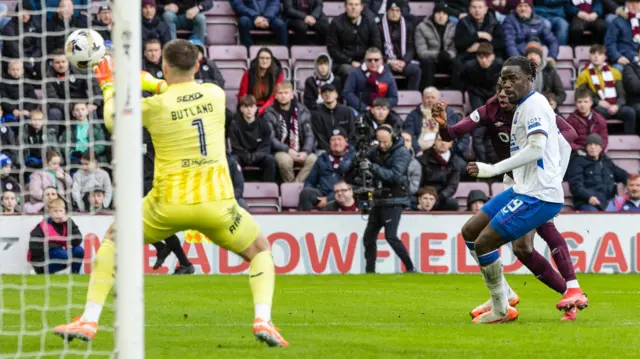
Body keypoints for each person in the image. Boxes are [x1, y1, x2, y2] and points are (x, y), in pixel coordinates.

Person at [53, 40, 289, 347]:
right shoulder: (215, 95)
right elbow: (171, 88)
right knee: (260, 250)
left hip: (166, 205)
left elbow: (113, 120)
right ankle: (263, 319)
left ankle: (88, 319)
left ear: (164, 66)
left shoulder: (153, 106)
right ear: (197, 65)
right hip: (217, 205)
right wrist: (144, 78)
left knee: (113, 239)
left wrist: (110, 83)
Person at [433, 82, 584, 321]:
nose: (502, 94)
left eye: (508, 89)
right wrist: (443, 125)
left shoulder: (534, 109)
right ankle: (511, 295)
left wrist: (548, 166)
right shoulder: (489, 110)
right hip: (515, 182)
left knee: (531, 240)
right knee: (512, 244)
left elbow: (571, 134)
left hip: (537, 185)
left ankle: (569, 292)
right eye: (499, 89)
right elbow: (451, 134)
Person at [359, 126, 416, 273]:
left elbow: (395, 176)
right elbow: (362, 161)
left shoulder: (402, 152)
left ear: (393, 138)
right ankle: (369, 271)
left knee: (391, 236)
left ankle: (410, 267)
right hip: (379, 199)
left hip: (396, 198)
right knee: (368, 237)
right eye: (379, 142)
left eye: (385, 142)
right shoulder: (376, 151)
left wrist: (372, 167)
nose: (382, 145)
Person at [576, 44, 637, 134]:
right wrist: (598, 102)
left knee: (630, 112)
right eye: (593, 54)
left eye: (599, 54)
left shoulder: (615, 72)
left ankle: (628, 141)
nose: (596, 56)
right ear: (590, 56)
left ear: (605, 57)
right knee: (596, 112)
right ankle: (599, 141)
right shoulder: (584, 74)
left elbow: (621, 94)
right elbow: (581, 94)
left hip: (615, 106)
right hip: (599, 107)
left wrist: (617, 105)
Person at [263, 82, 317, 183]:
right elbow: (271, 138)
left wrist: (305, 151)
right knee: (285, 161)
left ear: (292, 95)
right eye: (280, 93)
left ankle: (294, 186)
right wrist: (288, 150)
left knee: (313, 159)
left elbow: (309, 135)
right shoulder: (269, 112)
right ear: (276, 96)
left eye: (286, 93)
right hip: (280, 150)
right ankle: (291, 187)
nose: (283, 96)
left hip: (301, 149)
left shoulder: (303, 110)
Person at [567, 133, 628, 211]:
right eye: (590, 144)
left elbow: (623, 175)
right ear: (586, 147)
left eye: (596, 144)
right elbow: (575, 186)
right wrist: (589, 197)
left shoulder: (606, 162)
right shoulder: (577, 162)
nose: (593, 147)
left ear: (601, 148)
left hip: (608, 202)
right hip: (587, 203)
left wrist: (634, 180)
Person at [299, 128, 355, 210]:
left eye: (339, 139)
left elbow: (357, 186)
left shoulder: (354, 158)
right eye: (333, 140)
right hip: (322, 195)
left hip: (344, 196)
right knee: (306, 192)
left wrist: (328, 199)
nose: (336, 143)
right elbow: (310, 182)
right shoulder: (322, 158)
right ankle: (304, 221)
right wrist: (318, 200)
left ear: (346, 142)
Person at [327, 0, 382, 80]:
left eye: (356, 5)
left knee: (384, 69)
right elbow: (332, 49)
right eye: (350, 4)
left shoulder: (370, 22)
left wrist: (365, 62)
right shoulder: (336, 23)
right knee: (351, 72)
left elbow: (376, 45)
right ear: (345, 7)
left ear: (361, 7)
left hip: (367, 61)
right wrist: (350, 61)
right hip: (344, 62)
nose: (353, 7)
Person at [28, 198, 84, 274]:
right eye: (55, 211)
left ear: (64, 212)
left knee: (79, 250)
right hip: (42, 261)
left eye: (61, 211)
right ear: (50, 213)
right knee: (62, 254)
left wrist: (68, 223)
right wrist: (58, 247)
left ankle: (74, 275)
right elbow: (34, 247)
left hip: (63, 255)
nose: (58, 214)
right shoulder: (42, 226)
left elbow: (78, 240)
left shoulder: (68, 222)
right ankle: (42, 273)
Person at [229, 95, 277, 182]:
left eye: (251, 107)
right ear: (241, 109)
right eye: (246, 107)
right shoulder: (234, 125)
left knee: (270, 160)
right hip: (241, 156)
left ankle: (267, 190)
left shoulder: (263, 124)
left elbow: (265, 145)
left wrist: (256, 156)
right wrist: (246, 155)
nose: (249, 110)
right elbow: (235, 146)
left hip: (258, 155)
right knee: (233, 161)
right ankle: (238, 188)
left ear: (255, 108)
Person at [379, 0, 421, 90]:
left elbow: (411, 47)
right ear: (387, 11)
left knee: (415, 70)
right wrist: (389, 61)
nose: (394, 13)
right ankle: (386, 98)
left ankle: (411, 98)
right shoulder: (379, 27)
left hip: (403, 62)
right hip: (387, 62)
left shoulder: (408, 26)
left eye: (397, 10)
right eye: (392, 10)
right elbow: (377, 49)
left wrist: (404, 61)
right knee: (383, 69)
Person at [343, 47, 399, 113]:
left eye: (376, 60)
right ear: (365, 60)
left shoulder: (388, 76)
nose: (373, 62)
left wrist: (380, 107)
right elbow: (347, 93)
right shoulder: (355, 73)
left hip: (381, 111)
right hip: (359, 110)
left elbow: (394, 98)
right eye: (369, 60)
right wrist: (365, 107)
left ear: (382, 61)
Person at [415, 2, 457, 88]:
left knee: (457, 63)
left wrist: (449, 54)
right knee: (427, 63)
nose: (441, 16)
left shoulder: (453, 27)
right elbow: (421, 52)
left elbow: (455, 48)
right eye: (438, 13)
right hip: (431, 60)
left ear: (448, 16)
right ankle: (427, 93)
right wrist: (437, 54)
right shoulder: (421, 27)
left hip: (447, 59)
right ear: (434, 14)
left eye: (444, 14)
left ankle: (457, 94)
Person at [237, 47, 285, 116]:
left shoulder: (278, 74)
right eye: (262, 58)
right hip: (251, 108)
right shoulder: (248, 73)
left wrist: (261, 110)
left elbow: (275, 96)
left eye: (267, 58)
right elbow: (243, 95)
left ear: (271, 60)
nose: (264, 61)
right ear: (257, 59)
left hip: (270, 109)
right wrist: (250, 109)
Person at [418, 135, 461, 211]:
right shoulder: (423, 159)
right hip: (425, 195)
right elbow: (418, 181)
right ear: (434, 142)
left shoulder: (455, 161)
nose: (443, 143)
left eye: (447, 141)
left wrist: (438, 198)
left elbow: (452, 186)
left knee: (452, 204)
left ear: (451, 144)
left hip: (442, 197)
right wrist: (426, 196)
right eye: (439, 140)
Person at [310, 84, 355, 153]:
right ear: (321, 96)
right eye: (324, 92)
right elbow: (319, 137)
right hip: (325, 150)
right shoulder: (316, 114)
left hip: (346, 149)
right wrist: (331, 150)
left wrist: (344, 147)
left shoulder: (348, 112)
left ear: (336, 95)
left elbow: (352, 133)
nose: (327, 94)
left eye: (330, 92)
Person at [459, 42, 503, 110]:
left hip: (493, 92)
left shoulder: (499, 65)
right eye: (481, 57)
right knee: (479, 114)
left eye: (487, 57)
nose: (484, 60)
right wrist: (468, 88)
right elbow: (460, 78)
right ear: (477, 57)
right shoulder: (469, 66)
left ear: (493, 56)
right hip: (476, 92)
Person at [525, 42, 566, 107]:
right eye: (529, 54)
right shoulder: (521, 72)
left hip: (546, 107)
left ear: (540, 57)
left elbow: (562, 94)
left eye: (535, 54)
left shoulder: (550, 71)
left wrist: (555, 101)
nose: (532, 56)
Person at [604, 0, 640, 71]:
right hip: (624, 58)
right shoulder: (617, 21)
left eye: (637, 3)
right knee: (617, 69)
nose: (634, 6)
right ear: (626, 4)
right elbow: (609, 43)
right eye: (631, 3)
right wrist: (618, 57)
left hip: (638, 57)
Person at [400, 131, 422, 199]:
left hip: (405, 195)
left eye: (407, 140)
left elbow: (414, 188)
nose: (404, 142)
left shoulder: (415, 164)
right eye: (401, 139)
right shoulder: (386, 158)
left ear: (411, 143)